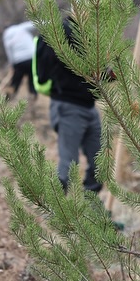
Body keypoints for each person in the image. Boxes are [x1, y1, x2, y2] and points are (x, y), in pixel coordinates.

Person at [36, 17, 106, 194]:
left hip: (90, 106)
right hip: (68, 106)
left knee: (99, 165)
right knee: (68, 167)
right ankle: (59, 215)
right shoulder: (62, 30)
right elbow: (43, 72)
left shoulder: (92, 33)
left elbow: (99, 71)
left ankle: (92, 212)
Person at [2, 20, 45, 98]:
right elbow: (35, 24)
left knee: (15, 81)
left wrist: (12, 63)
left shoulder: (6, 35)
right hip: (32, 58)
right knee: (32, 80)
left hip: (18, 61)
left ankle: (9, 99)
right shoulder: (21, 27)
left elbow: (9, 50)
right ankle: (33, 98)